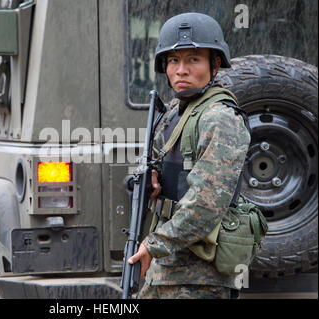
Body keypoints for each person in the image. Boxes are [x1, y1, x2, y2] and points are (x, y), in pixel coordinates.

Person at [127, 12, 251, 299]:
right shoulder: (175, 112)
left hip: (200, 278)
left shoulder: (220, 118)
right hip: (166, 268)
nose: (181, 70)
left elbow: (206, 205)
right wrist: (144, 179)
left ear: (215, 64)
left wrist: (153, 244)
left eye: (193, 59)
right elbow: (151, 162)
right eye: (173, 60)